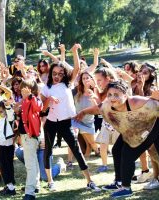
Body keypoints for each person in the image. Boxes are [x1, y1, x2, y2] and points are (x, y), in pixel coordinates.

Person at [75, 80, 159, 198]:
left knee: (128, 154)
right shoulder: (107, 105)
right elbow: (98, 109)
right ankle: (119, 182)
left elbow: (157, 103)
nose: (112, 98)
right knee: (117, 150)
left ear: (125, 95)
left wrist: (155, 97)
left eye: (117, 95)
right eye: (109, 94)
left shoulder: (136, 101)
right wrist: (83, 112)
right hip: (132, 131)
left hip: (153, 127)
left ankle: (126, 188)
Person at [41, 44, 100, 192]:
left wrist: (74, 52)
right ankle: (50, 181)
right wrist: (49, 100)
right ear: (50, 73)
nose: (57, 76)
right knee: (48, 151)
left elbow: (77, 69)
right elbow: (42, 108)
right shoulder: (46, 88)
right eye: (54, 73)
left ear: (64, 74)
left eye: (60, 73)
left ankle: (89, 180)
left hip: (66, 122)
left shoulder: (68, 83)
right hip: (51, 123)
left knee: (76, 150)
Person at [19, 79, 43, 200]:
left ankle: (30, 192)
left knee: (30, 164)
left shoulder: (34, 99)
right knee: (33, 162)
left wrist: (29, 96)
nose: (23, 89)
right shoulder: (24, 101)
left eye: (26, 88)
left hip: (30, 136)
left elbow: (38, 108)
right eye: (22, 87)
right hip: (26, 135)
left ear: (32, 89)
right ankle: (35, 185)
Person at [72, 72, 99, 158]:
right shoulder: (78, 92)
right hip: (78, 121)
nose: (86, 80)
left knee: (92, 142)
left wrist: (92, 94)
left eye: (87, 78)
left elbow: (97, 108)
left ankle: (99, 152)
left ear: (91, 79)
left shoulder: (95, 91)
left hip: (89, 121)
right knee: (88, 142)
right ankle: (87, 155)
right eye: (83, 78)